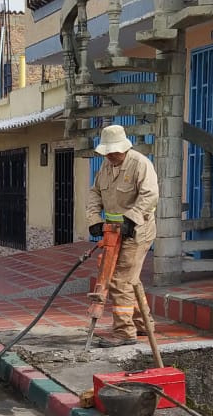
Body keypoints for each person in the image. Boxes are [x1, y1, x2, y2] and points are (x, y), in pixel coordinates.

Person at [85, 124, 159, 348]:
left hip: (138, 232)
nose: (111, 155)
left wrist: (131, 219)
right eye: (107, 152)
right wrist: (94, 220)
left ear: (124, 148)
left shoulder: (140, 164)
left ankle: (124, 332)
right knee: (129, 280)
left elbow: (150, 195)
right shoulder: (105, 168)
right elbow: (95, 193)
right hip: (114, 232)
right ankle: (144, 325)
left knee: (119, 280)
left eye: (114, 151)